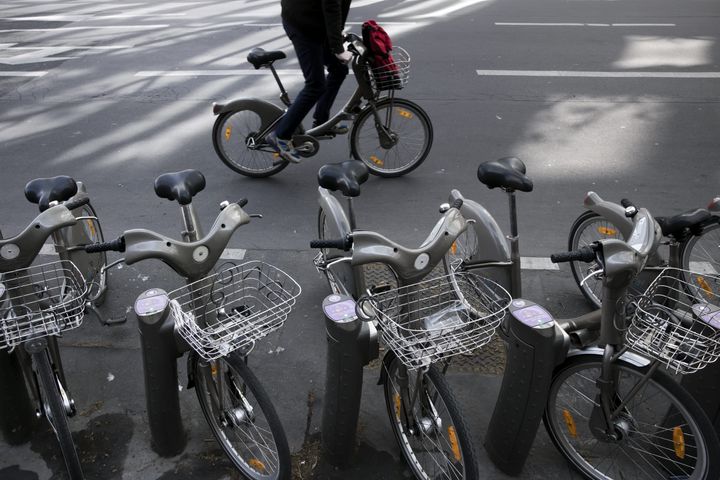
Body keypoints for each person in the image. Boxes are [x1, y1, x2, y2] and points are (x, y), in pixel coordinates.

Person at [266, 0, 353, 164]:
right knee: (315, 84)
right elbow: (332, 5)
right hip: (302, 23)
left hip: (316, 20)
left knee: (339, 70)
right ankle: (280, 135)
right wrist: (338, 48)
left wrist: (337, 34)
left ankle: (322, 122)